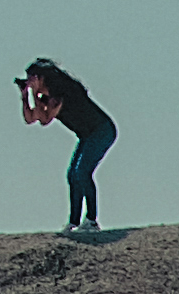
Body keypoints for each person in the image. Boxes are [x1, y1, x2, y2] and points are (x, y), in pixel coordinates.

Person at [18, 56, 116, 236]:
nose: (29, 81)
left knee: (82, 172)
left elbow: (45, 119)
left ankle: (91, 220)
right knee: (72, 175)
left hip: (102, 130)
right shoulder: (46, 97)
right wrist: (25, 97)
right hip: (87, 135)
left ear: (41, 78)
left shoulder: (60, 94)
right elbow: (31, 118)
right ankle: (74, 221)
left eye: (32, 77)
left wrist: (34, 96)